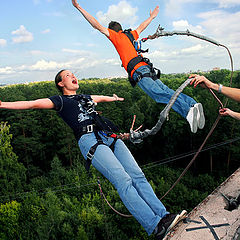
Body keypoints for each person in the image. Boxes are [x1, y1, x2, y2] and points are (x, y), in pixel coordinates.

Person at [0, 69, 187, 239]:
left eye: (74, 74)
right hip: (89, 140)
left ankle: (164, 217)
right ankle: (155, 226)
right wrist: (2, 104)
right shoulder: (60, 101)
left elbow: (99, 97)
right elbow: (32, 104)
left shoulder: (84, 96)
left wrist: (113, 98)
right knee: (124, 181)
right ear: (60, 83)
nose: (73, 76)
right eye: (68, 75)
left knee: (138, 176)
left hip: (108, 135)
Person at [71, 0, 205, 134]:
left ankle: (188, 111)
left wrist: (79, 7)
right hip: (148, 69)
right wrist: (152, 17)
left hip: (139, 71)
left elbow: (97, 26)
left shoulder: (116, 36)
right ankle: (192, 104)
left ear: (112, 30)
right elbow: (142, 26)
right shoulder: (130, 35)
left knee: (159, 94)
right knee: (167, 90)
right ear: (121, 28)